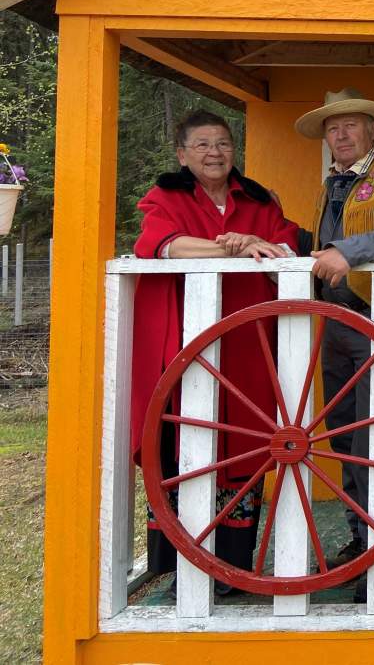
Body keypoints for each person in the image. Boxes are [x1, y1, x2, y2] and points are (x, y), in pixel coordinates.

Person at [131, 110, 299, 594]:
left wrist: (259, 241)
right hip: (185, 340)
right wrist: (236, 249)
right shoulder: (168, 196)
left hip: (248, 342)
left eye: (222, 143)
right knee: (184, 439)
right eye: (202, 144)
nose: (214, 153)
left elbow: (286, 246)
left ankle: (232, 565)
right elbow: (161, 245)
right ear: (182, 154)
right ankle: (183, 560)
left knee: (245, 439)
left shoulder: (259, 200)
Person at [294, 88, 374, 601]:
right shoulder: (331, 184)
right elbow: (318, 241)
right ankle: (360, 537)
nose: (341, 134)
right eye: (333, 128)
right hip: (338, 318)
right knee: (343, 430)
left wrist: (348, 253)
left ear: (373, 132)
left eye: (351, 125)